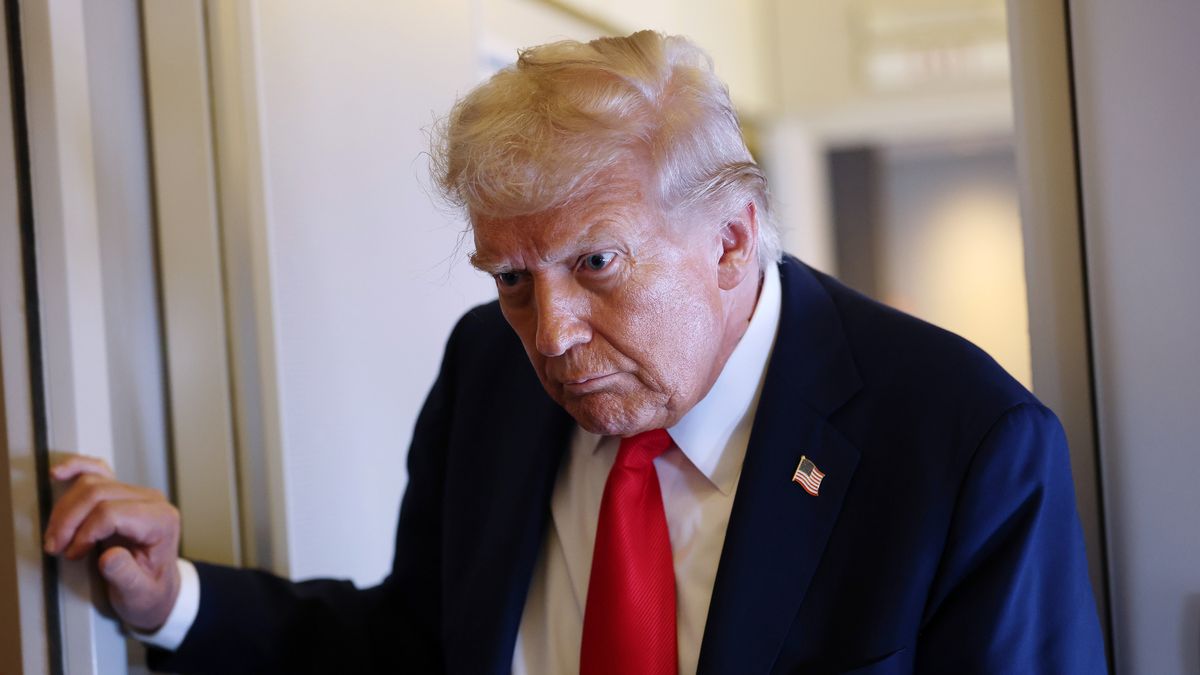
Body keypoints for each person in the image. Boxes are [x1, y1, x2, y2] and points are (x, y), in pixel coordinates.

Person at [44, 31, 1106, 674]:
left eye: (597, 264)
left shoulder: (965, 446)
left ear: (731, 239)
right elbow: (421, 648)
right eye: (511, 278)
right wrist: (174, 599)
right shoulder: (488, 376)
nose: (548, 336)